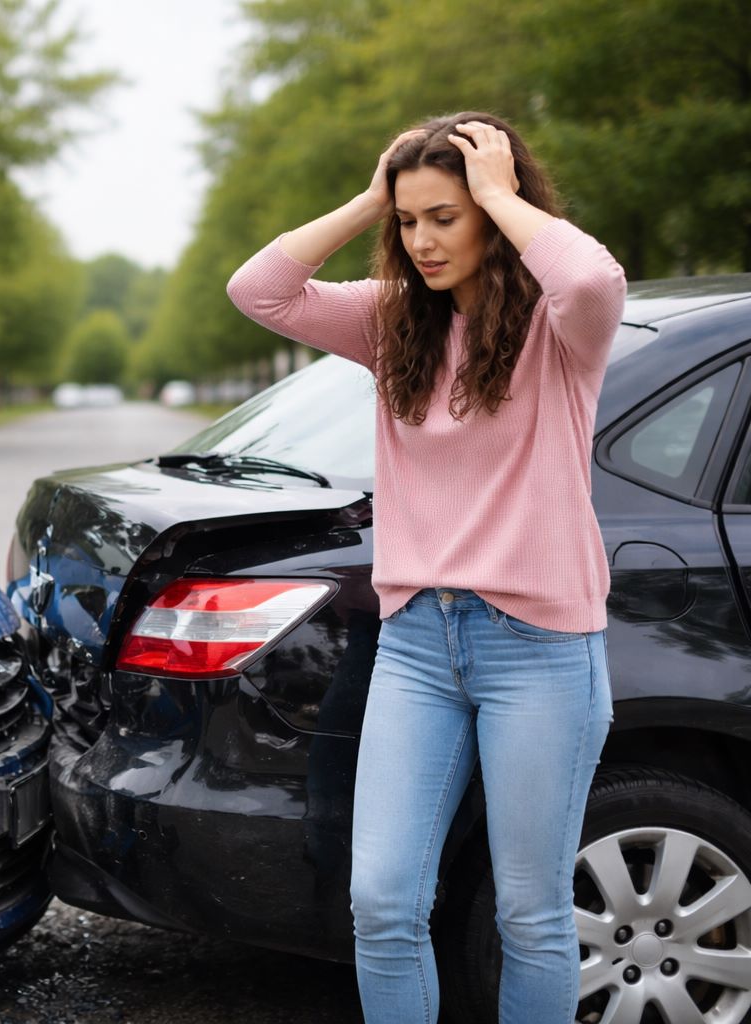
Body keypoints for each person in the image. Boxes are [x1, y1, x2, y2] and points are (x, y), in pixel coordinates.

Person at [226, 112, 625, 1022]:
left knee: (530, 914)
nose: (423, 241)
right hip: (416, 646)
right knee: (381, 904)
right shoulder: (392, 322)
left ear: (493, 210)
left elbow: (592, 275)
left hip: (540, 650)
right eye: (409, 222)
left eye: (445, 216)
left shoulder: (562, 329)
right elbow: (260, 291)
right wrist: (372, 198)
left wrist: (499, 194)